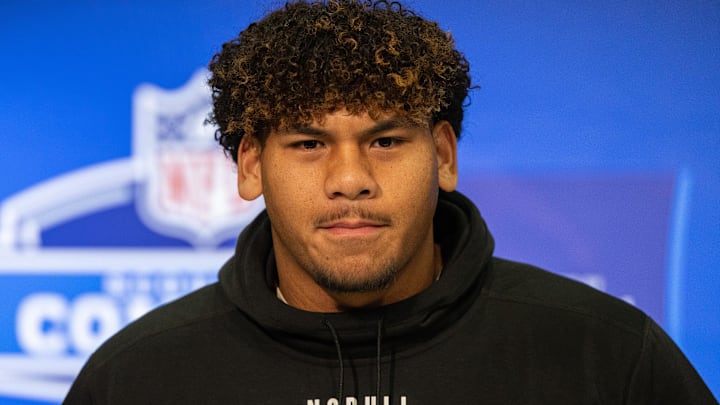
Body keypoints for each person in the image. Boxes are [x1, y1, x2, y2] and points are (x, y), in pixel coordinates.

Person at [64, 1, 717, 404]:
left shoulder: (603, 353)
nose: (350, 179)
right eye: (310, 142)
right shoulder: (138, 378)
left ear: (443, 155)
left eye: (384, 139)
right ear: (251, 165)